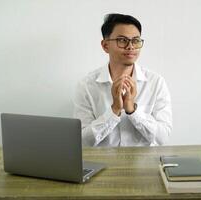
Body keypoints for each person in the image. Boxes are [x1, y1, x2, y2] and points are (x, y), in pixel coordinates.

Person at [73, 13, 172, 147]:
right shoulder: (86, 85)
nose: (130, 46)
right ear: (105, 46)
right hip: (103, 165)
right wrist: (114, 110)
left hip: (146, 165)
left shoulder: (156, 83)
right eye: (122, 40)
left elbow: (163, 138)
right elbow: (82, 141)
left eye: (136, 40)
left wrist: (133, 111)